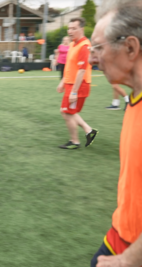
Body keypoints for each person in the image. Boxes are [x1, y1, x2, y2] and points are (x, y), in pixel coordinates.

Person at [88, 1, 142, 266]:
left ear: (130, 48)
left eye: (98, 47)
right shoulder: (134, 99)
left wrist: (127, 260)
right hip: (121, 233)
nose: (90, 57)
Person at [56, 17, 98, 149]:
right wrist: (63, 82)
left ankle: (75, 141)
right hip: (71, 84)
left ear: (82, 29)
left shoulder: (84, 46)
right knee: (68, 112)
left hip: (79, 86)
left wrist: (74, 91)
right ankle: (88, 130)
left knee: (67, 112)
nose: (70, 31)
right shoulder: (73, 44)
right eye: (69, 28)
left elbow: (81, 71)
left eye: (74, 28)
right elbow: (70, 66)